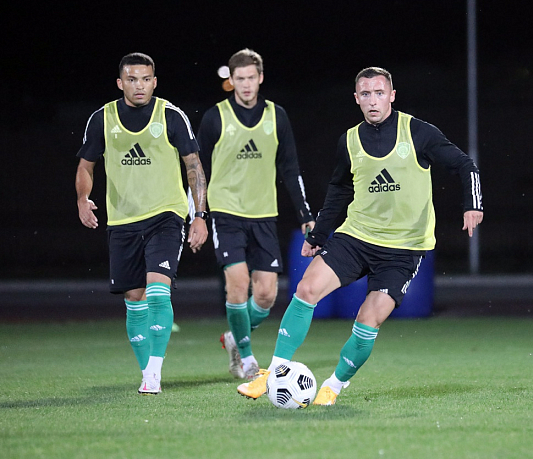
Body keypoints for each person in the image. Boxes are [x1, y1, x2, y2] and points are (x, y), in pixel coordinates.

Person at [238, 66, 483, 405]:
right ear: (356, 98)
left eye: (379, 93)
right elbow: (339, 189)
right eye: (365, 94)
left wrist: (472, 204)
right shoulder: (350, 140)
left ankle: (334, 385)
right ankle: (272, 373)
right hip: (357, 237)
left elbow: (466, 165)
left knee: (369, 319)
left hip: (403, 249)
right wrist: (317, 236)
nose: (373, 100)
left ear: (392, 95)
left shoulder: (418, 132)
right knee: (306, 289)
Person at [75, 52, 208, 395]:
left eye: (146, 79)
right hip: (122, 221)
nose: (140, 85)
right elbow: (86, 165)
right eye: (132, 79)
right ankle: (146, 368)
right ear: (120, 83)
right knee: (134, 298)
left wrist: (200, 215)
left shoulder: (171, 115)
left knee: (158, 289)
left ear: (155, 82)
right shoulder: (102, 119)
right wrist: (82, 198)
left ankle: (153, 373)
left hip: (166, 216)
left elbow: (194, 167)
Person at [196, 48, 315, 380]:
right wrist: (198, 215)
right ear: (231, 80)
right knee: (238, 283)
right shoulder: (215, 117)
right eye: (240, 79)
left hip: (264, 215)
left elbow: (290, 168)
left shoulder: (277, 116)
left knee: (265, 295)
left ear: (260, 78)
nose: (246, 85)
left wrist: (305, 213)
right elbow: (197, 170)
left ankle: (235, 336)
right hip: (226, 213)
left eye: (251, 78)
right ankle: (247, 360)